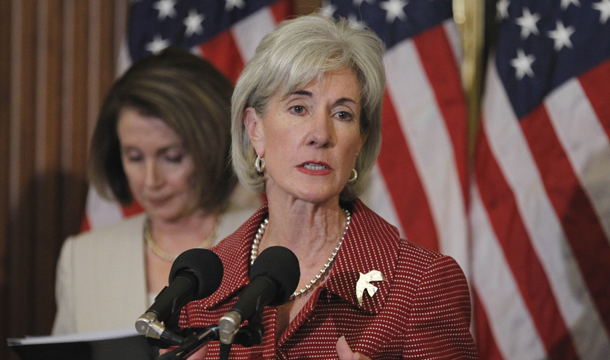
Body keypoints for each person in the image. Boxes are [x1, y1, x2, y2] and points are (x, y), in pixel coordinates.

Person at [173, 14, 478, 360]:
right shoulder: (199, 289)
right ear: (255, 129)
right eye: (299, 108)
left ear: (360, 142)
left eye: (342, 114)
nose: (321, 134)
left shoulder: (420, 284)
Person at [52, 48, 260, 335]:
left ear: (212, 149)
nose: (151, 181)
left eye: (172, 156)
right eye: (134, 157)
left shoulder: (266, 238)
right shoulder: (83, 258)